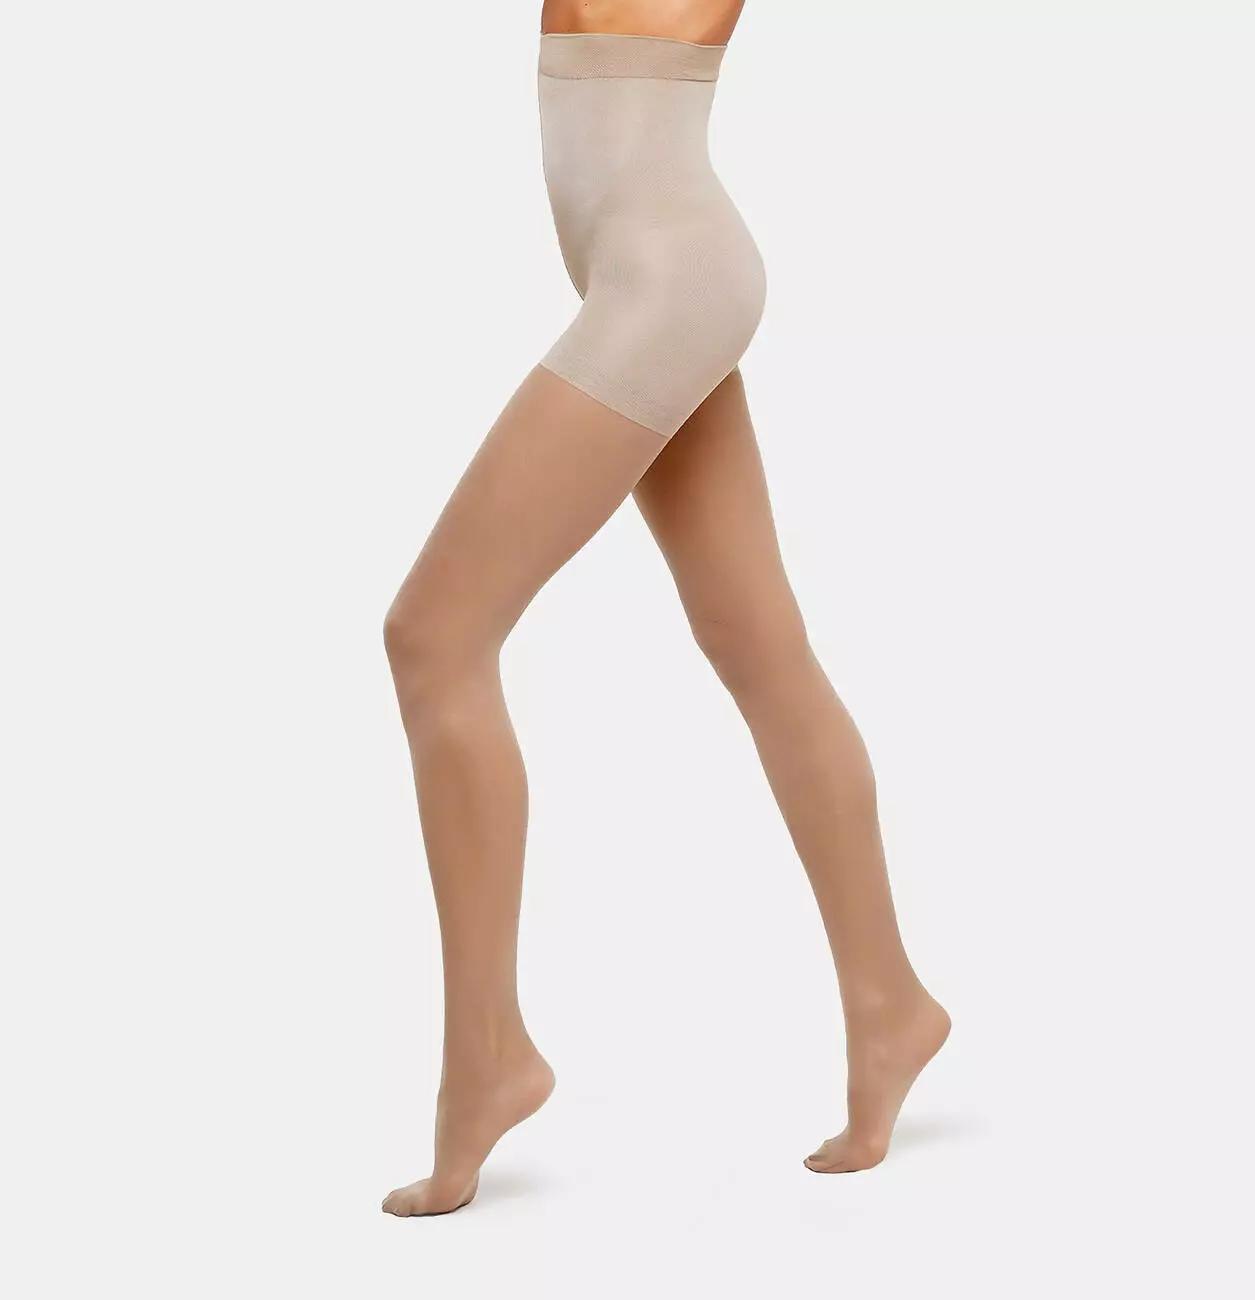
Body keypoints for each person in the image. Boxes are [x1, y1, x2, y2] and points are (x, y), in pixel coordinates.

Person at [381, 0, 949, 1217]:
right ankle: (889, 1002)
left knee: (434, 636)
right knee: (757, 642)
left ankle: (487, 1055)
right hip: (651, 281)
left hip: (666, 286)